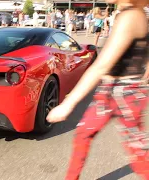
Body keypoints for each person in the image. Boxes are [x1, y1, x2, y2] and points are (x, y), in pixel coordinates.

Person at [47, 0, 149, 179]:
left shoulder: (131, 16)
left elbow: (101, 66)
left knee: (139, 153)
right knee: (83, 135)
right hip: (111, 91)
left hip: (125, 93)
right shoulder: (127, 13)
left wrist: (68, 103)